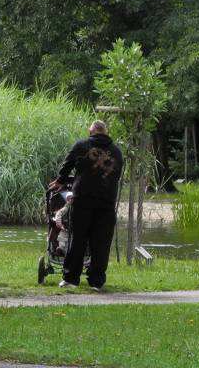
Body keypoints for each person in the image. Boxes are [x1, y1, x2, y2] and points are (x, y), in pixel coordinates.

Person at [48, 119, 123, 291]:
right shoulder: (117, 152)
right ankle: (96, 282)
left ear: (91, 132)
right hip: (106, 202)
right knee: (101, 243)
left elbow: (68, 164)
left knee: (77, 240)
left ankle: (71, 279)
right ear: (105, 132)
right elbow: (117, 175)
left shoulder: (82, 146)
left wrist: (60, 181)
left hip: (83, 200)